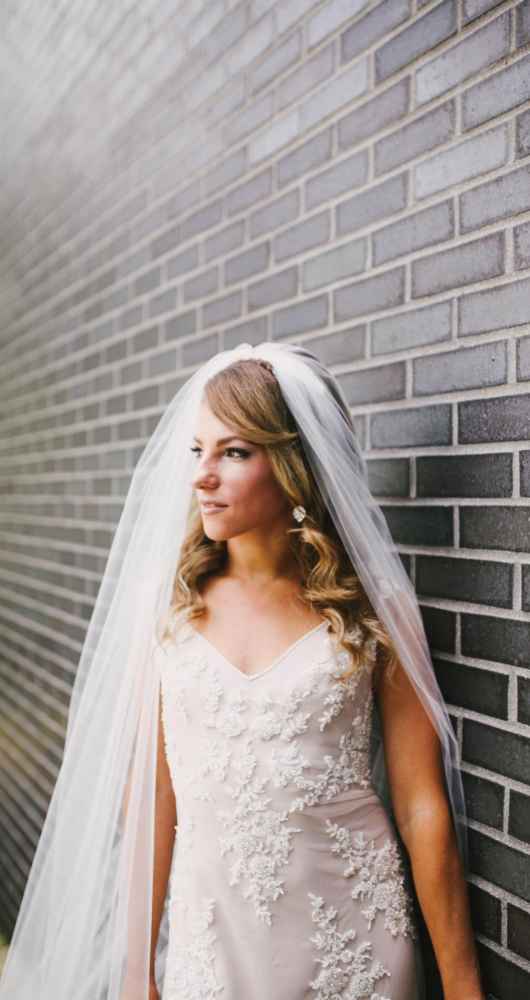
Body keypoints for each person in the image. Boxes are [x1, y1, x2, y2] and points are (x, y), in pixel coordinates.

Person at [0, 342, 484, 1000]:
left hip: (354, 942)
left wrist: (462, 987)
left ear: (293, 465)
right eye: (197, 451)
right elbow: (151, 804)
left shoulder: (374, 607)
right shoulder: (170, 609)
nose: (202, 475)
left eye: (233, 452)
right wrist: (137, 969)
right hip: (213, 946)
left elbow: (422, 804)